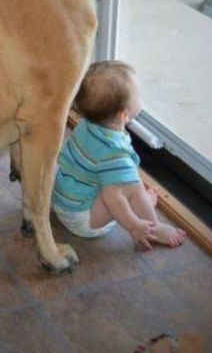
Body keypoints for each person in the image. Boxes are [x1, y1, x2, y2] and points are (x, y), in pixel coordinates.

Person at [51, 61, 186, 249]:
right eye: (138, 96)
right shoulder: (115, 153)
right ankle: (155, 228)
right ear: (123, 115)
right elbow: (112, 198)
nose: (140, 98)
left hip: (62, 202)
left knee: (117, 180)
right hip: (83, 221)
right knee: (132, 187)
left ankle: (141, 204)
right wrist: (134, 225)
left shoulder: (86, 125)